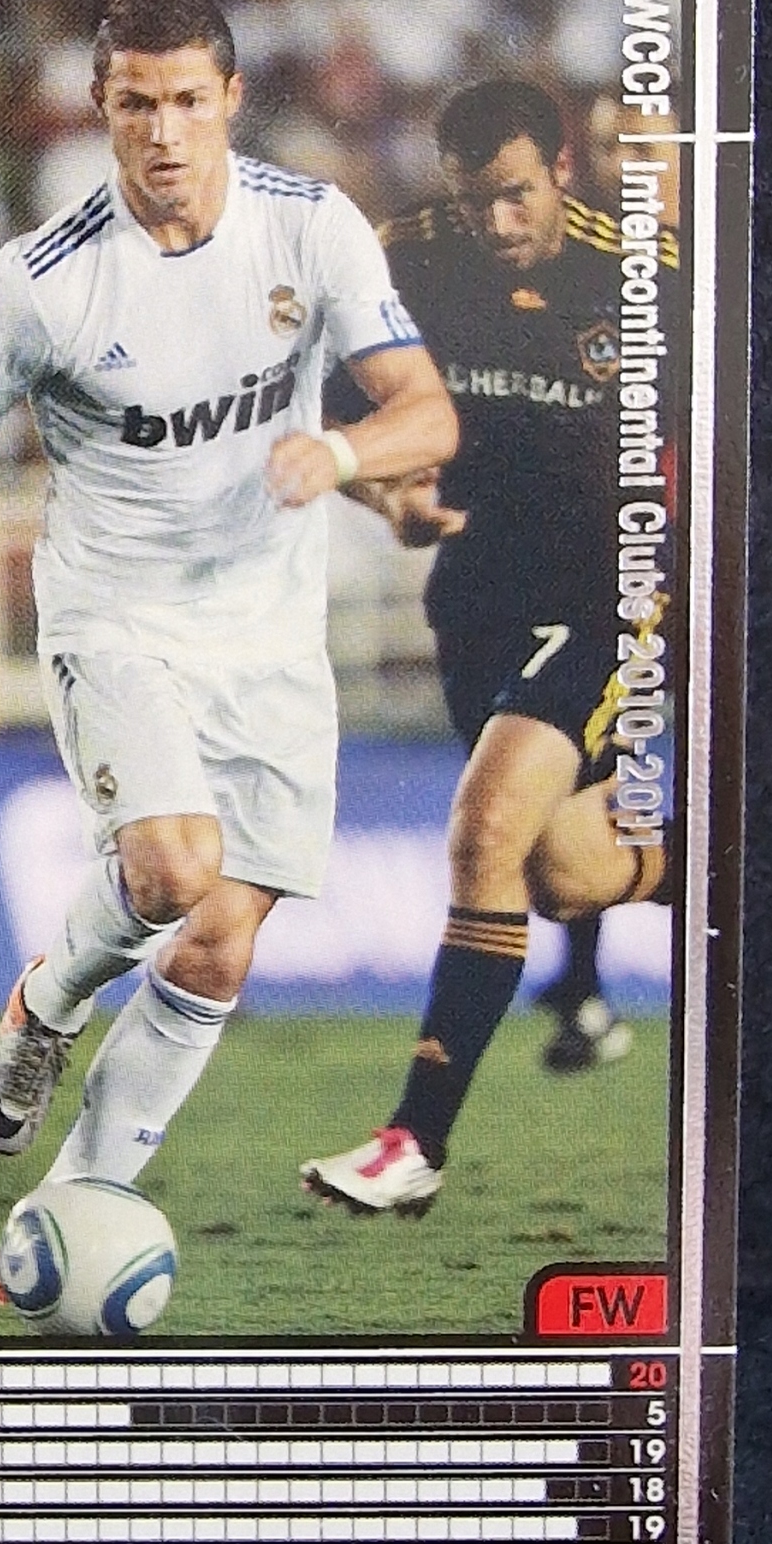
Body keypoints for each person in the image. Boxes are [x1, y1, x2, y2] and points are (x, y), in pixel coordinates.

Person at [0, 0, 456, 1187]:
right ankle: (46, 1002)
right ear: (99, 108)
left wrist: (343, 460)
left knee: (219, 941)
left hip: (271, 629)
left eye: (186, 100)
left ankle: (80, 1201)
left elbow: (423, 412)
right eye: (136, 104)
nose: (163, 132)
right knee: (173, 870)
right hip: (116, 613)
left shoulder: (309, 227)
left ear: (231, 97)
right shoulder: (44, 281)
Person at [302, 78, 671, 1217]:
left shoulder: (642, 274)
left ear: (560, 170)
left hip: (609, 595)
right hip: (475, 597)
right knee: (565, 873)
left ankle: (412, 1143)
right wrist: (390, 501)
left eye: (516, 195)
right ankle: (734, 876)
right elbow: (336, 421)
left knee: (482, 829)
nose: (498, 223)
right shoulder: (407, 258)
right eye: (476, 203)